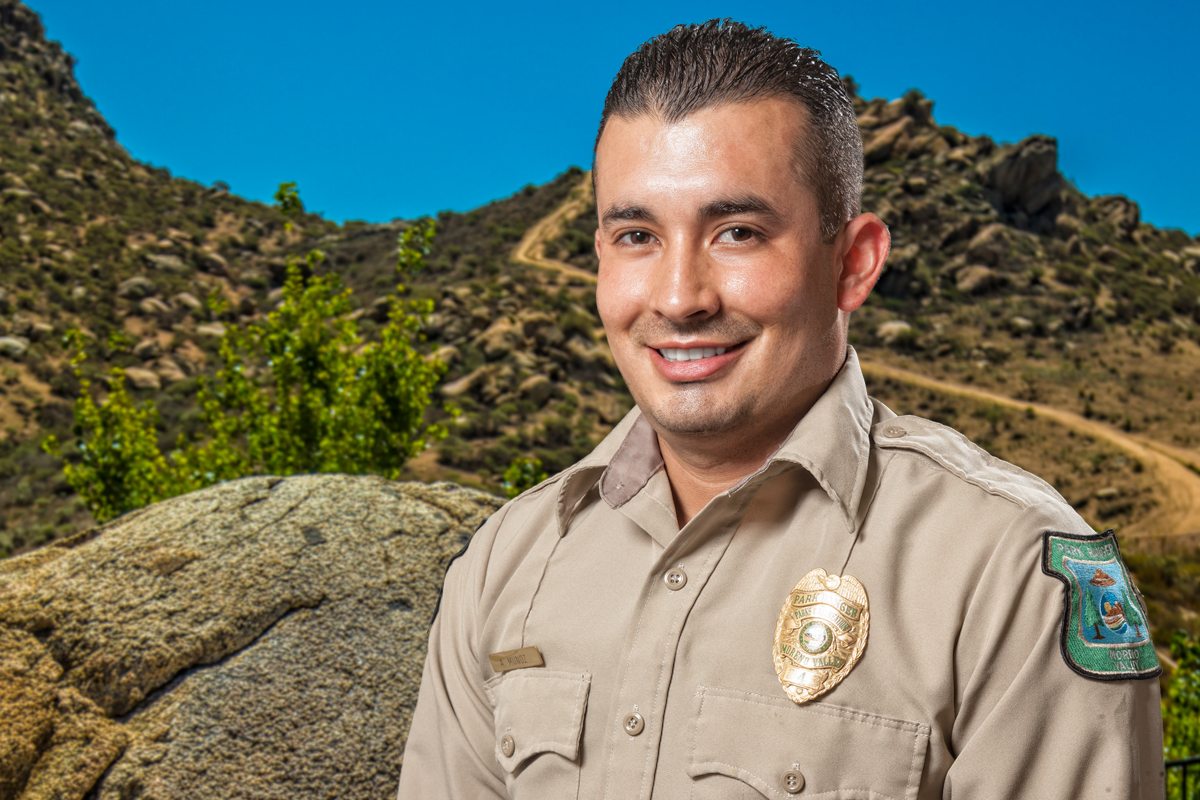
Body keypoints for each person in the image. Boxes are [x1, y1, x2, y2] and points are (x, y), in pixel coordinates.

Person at [399, 19, 1164, 799]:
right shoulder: (504, 565)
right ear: (599, 259)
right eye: (637, 235)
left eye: (737, 232)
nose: (678, 298)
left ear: (853, 262)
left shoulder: (1009, 574)